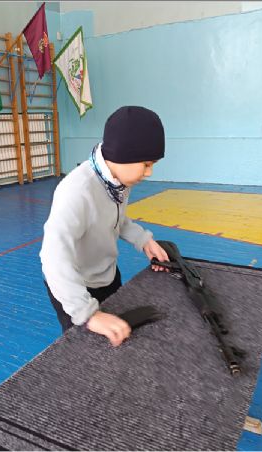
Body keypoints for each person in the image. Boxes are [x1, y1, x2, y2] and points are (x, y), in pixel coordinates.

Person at [40, 106, 169, 347]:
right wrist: (87, 314)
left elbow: (115, 218)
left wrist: (143, 240)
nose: (149, 173)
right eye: (146, 164)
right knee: (84, 349)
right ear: (124, 154)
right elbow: (53, 257)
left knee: (118, 340)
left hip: (106, 274)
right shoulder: (76, 191)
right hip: (73, 287)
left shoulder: (118, 179)